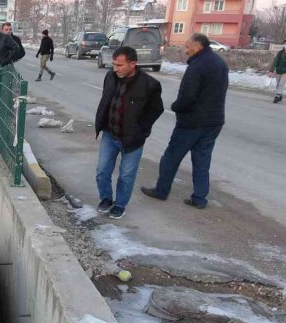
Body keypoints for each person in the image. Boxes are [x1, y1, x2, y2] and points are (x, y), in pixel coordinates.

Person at [141, 33, 228, 209]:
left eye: (187, 47)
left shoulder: (197, 66)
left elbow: (188, 96)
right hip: (214, 121)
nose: (185, 50)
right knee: (202, 161)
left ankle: (161, 190)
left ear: (198, 47)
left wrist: (176, 107)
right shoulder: (220, 63)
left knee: (171, 158)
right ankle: (199, 198)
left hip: (192, 122)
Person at [94, 47, 164, 219]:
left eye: (120, 65)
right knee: (102, 171)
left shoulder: (150, 85)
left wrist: (141, 130)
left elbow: (156, 109)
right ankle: (106, 199)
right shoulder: (111, 77)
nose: (116, 69)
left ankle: (120, 205)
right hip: (110, 135)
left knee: (126, 176)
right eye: (114, 64)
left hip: (132, 140)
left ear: (133, 64)